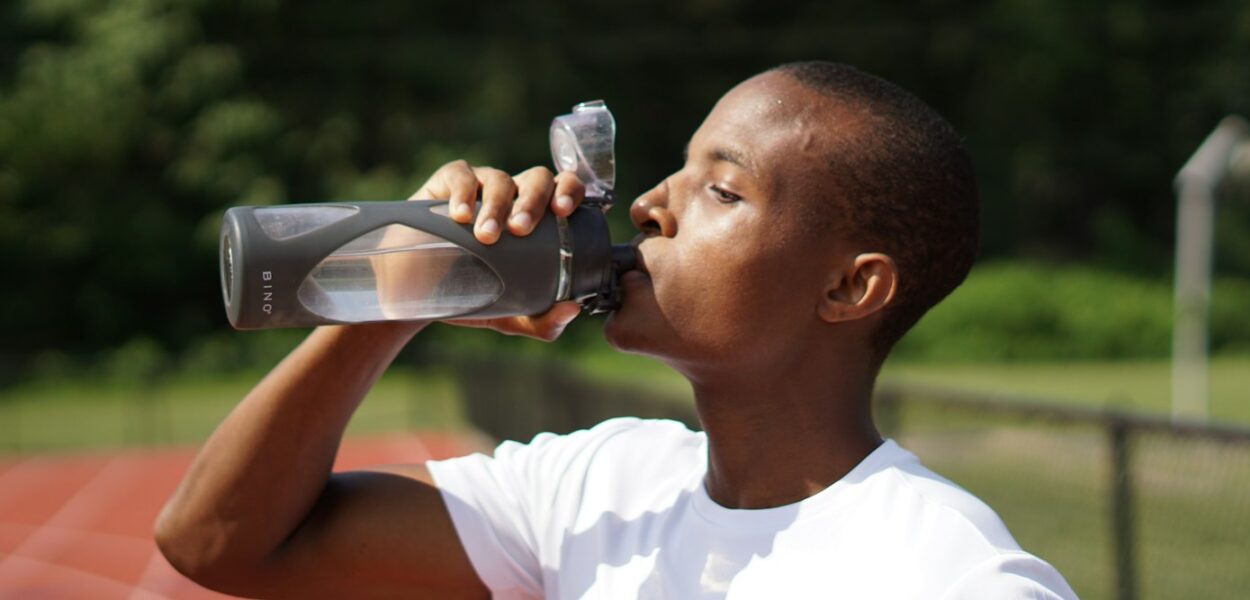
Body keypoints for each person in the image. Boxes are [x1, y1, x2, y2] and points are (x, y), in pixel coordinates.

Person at [155, 61, 1077, 599]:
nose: (645, 205)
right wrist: (407, 280)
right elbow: (218, 541)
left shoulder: (948, 575)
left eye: (722, 189)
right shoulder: (603, 484)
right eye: (676, 170)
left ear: (849, 287)